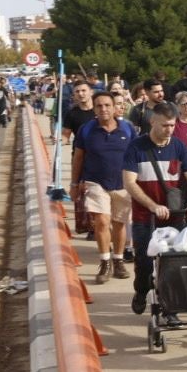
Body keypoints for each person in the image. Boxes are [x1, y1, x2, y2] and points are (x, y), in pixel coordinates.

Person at [121, 103, 187, 316]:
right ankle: (141, 290)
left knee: (172, 262)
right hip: (145, 216)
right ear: (152, 122)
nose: (169, 130)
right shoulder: (136, 147)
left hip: (174, 215)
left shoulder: (178, 146)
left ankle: (170, 309)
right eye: (165, 125)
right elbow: (130, 183)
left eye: (172, 125)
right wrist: (152, 206)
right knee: (144, 262)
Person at [71, 91, 137, 283]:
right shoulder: (86, 130)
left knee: (119, 223)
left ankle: (118, 260)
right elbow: (78, 158)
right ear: (94, 108)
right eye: (99, 106)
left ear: (115, 107)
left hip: (123, 183)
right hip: (96, 182)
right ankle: (105, 261)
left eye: (107, 105)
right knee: (101, 221)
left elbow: (136, 157)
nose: (104, 109)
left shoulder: (128, 129)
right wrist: (75, 183)